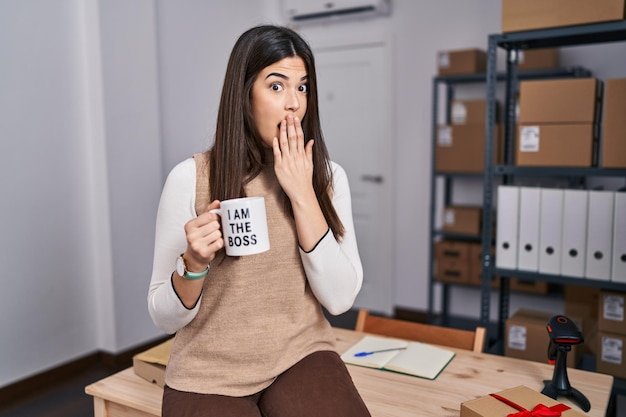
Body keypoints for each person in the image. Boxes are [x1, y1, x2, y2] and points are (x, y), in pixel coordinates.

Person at [147, 25, 371, 417]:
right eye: (276, 86)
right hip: (208, 369)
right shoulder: (190, 178)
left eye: (302, 87)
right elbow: (163, 317)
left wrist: (302, 193)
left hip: (300, 352)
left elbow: (339, 300)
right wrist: (193, 265)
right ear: (244, 94)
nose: (294, 104)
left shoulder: (329, 178)